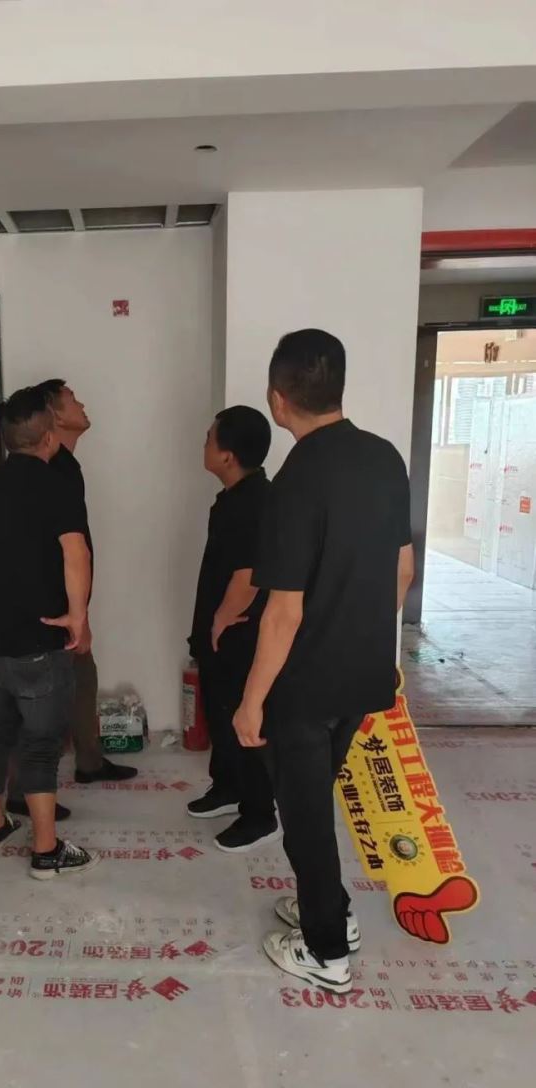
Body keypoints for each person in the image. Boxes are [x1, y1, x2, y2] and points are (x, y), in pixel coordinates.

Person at [234, 329, 414, 994]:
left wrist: (251, 701)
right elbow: (402, 570)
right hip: (363, 675)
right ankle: (330, 909)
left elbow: (282, 613)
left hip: (304, 686)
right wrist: (359, 631)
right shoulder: (385, 458)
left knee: (304, 817)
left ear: (277, 400)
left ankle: (327, 952)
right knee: (312, 801)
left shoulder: (294, 480)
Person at [0, 387, 97, 880]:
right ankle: (45, 850)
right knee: (40, 743)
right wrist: (78, 616)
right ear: (49, 437)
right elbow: (75, 552)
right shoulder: (56, 485)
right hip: (40, 641)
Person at [5, 378, 138, 823]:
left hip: (65, 604)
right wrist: (76, 615)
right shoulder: (48, 472)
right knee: (41, 698)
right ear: (54, 417)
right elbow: (65, 550)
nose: (82, 405)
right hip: (51, 610)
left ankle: (89, 760)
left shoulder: (64, 467)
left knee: (83, 677)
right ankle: (22, 791)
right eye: (72, 400)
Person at [186, 407, 277, 852]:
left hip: (239, 633)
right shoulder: (233, 497)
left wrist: (221, 619)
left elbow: (249, 573)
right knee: (221, 714)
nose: (203, 444)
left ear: (227, 455)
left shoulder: (253, 502)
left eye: (209, 438)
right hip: (219, 632)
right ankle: (226, 788)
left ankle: (259, 814)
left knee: (243, 720)